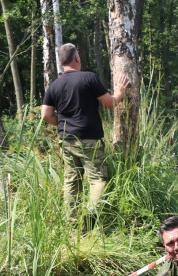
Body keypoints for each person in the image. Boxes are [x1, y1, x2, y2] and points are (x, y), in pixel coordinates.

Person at [41, 43, 129, 227]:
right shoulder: (89, 78)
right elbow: (109, 103)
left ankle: (72, 224)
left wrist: (64, 123)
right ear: (77, 58)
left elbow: (46, 115)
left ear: (60, 62)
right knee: (97, 179)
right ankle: (90, 217)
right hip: (90, 138)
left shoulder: (55, 85)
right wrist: (119, 92)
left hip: (67, 140)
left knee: (71, 181)